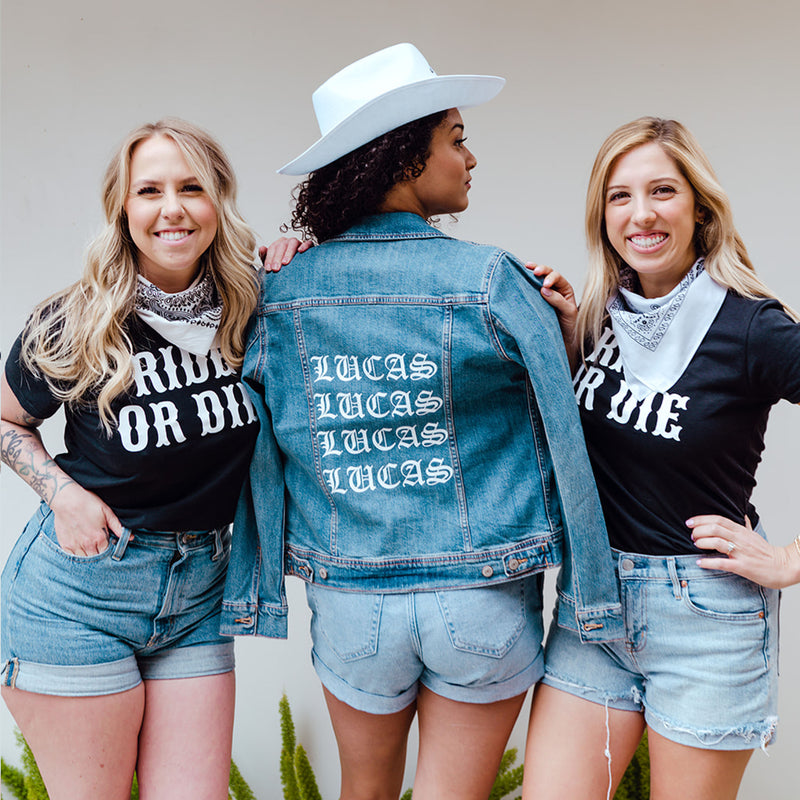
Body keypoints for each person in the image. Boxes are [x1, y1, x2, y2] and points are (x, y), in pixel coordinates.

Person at [220, 43, 622, 800]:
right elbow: (565, 432)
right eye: (457, 139)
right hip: (482, 596)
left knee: (363, 791)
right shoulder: (495, 279)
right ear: (405, 155)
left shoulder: (281, 291)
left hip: (353, 602)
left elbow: (257, 437)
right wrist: (592, 595)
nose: (470, 158)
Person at [522, 116, 800, 800]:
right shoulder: (599, 316)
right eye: (619, 196)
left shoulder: (752, 326)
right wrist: (571, 338)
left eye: (662, 191)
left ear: (700, 207)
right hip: (593, 608)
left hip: (704, 617)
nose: (640, 214)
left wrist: (791, 559)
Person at [1, 118, 260, 799]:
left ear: (218, 200)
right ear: (123, 207)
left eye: (191, 188)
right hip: (78, 595)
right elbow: (4, 417)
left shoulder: (252, 307)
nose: (172, 208)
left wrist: (298, 251)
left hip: (200, 591)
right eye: (150, 190)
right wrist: (62, 494)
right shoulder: (78, 320)